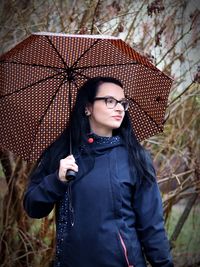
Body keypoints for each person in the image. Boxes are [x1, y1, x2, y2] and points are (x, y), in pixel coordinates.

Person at [24, 76, 174, 267]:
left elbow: (152, 226)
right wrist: (57, 180)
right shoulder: (63, 153)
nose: (119, 108)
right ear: (87, 107)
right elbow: (33, 207)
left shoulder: (135, 158)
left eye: (123, 103)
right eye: (110, 101)